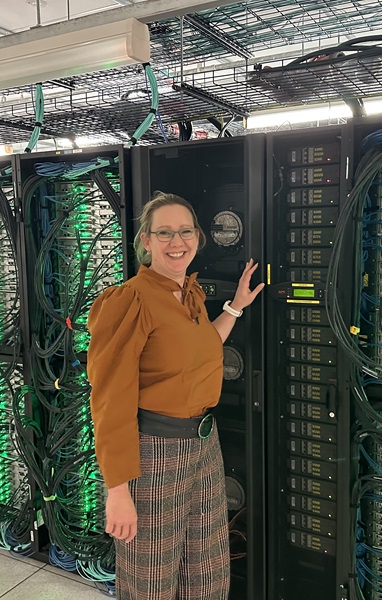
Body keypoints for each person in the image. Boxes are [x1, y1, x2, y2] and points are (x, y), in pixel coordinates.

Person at [87, 191, 264, 600]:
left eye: (185, 231)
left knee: (208, 569)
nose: (176, 242)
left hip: (203, 444)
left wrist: (235, 306)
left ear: (198, 238)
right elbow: (109, 397)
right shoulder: (130, 300)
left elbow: (203, 347)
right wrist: (117, 490)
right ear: (146, 241)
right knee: (151, 578)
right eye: (164, 233)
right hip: (154, 452)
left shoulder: (188, 294)